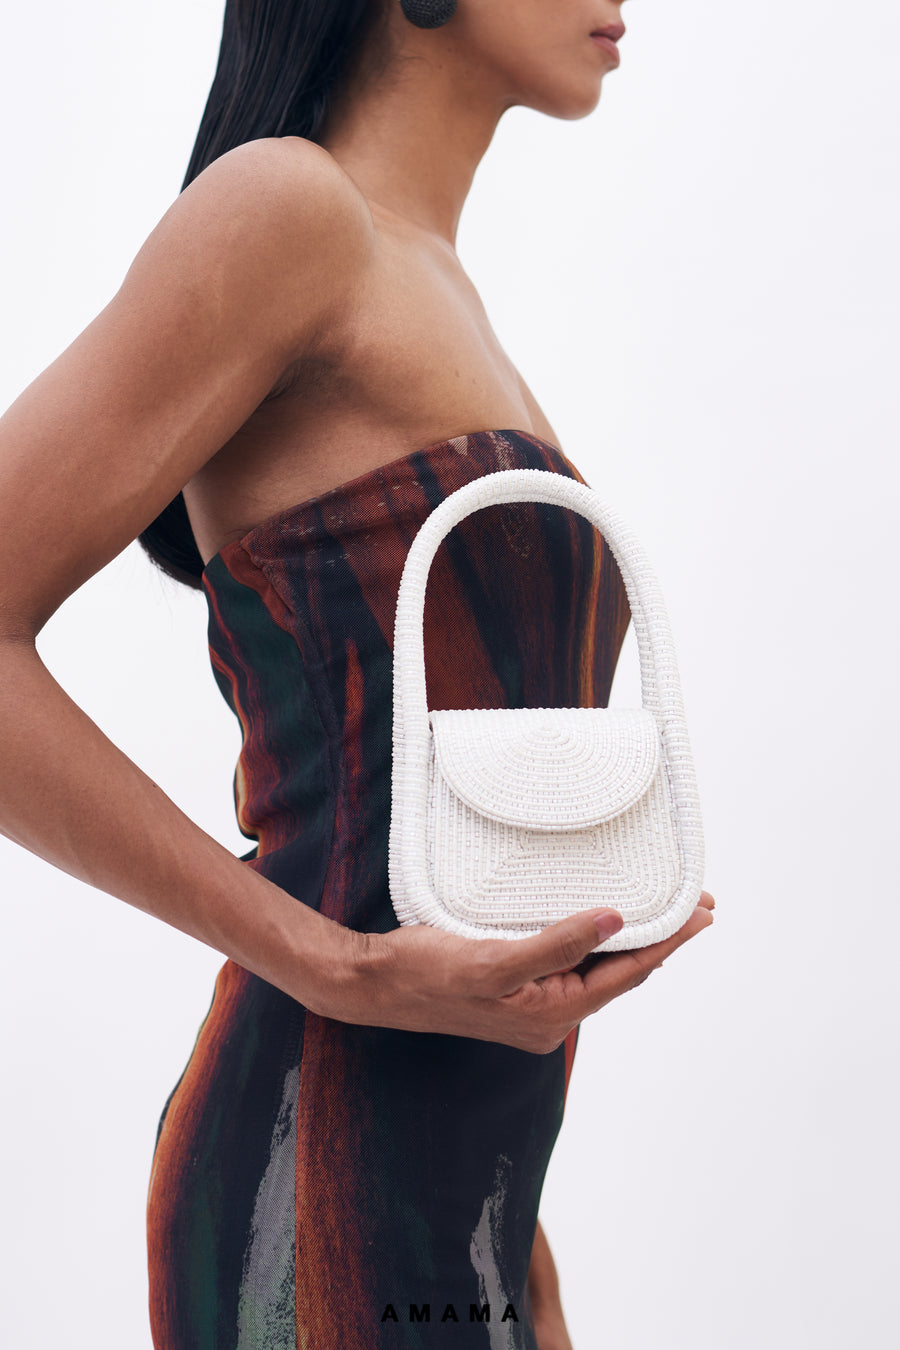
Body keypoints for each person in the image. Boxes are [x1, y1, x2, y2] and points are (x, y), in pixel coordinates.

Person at [0, 1, 715, 1346]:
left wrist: (524, 1253)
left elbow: (436, 870)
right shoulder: (288, 212)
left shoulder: (439, 285)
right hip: (314, 1177)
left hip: (472, 1201)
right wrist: (336, 967)